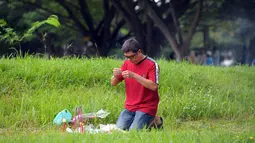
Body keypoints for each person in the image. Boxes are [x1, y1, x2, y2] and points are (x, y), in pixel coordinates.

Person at [111, 38, 160, 131]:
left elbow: (154, 86)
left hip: (147, 107)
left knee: (133, 132)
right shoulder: (127, 63)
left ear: (139, 52)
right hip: (130, 107)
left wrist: (134, 75)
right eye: (127, 57)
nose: (129, 59)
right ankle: (144, 120)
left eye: (131, 56)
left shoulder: (152, 64)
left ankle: (155, 121)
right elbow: (113, 83)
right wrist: (115, 76)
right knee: (119, 130)